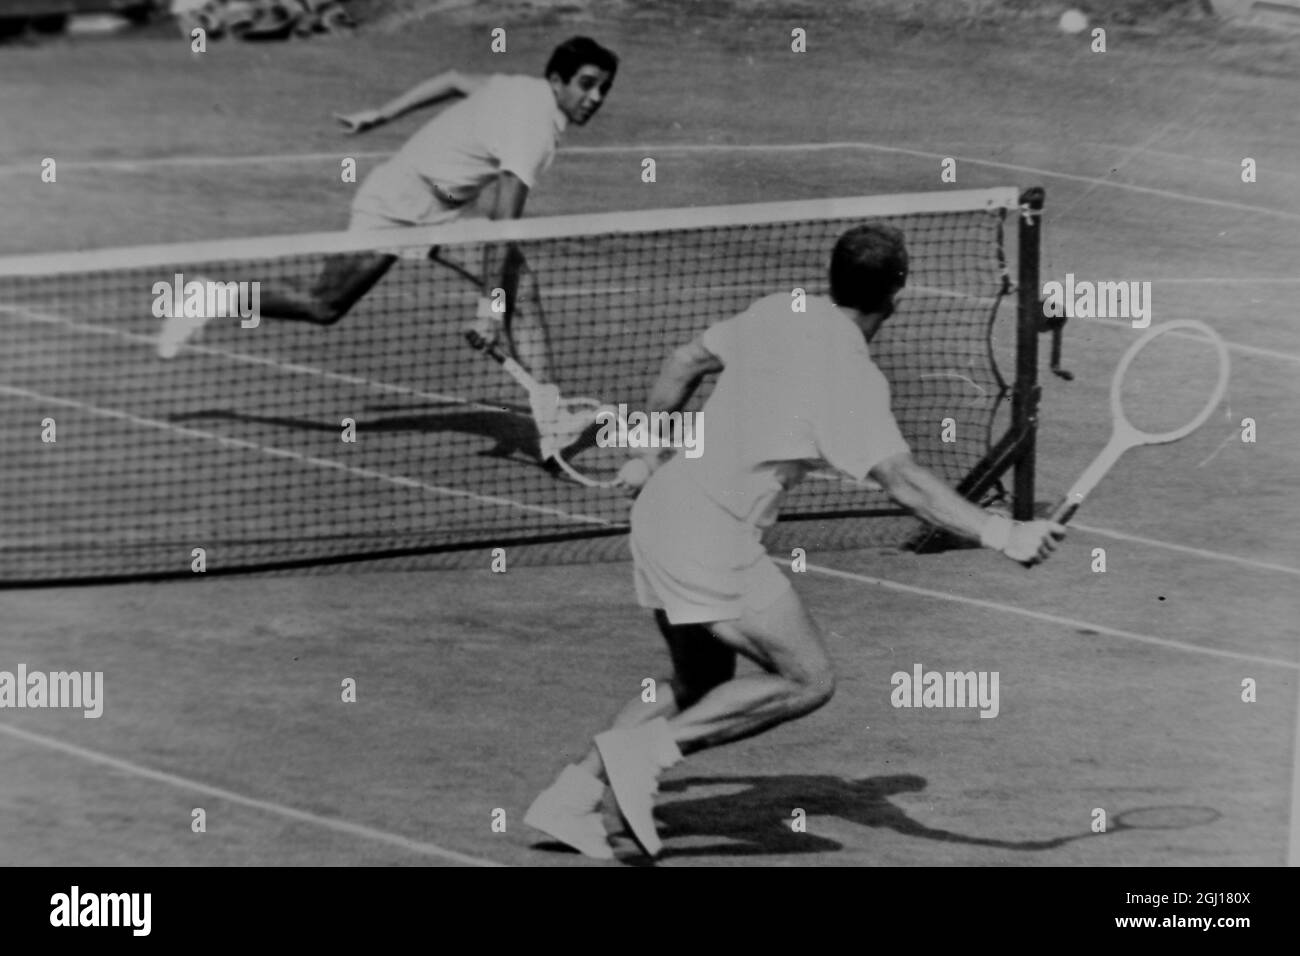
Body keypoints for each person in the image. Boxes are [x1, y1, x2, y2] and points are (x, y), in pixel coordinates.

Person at [523, 222, 1067, 860]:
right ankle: (645, 753)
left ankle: (571, 797)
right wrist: (1005, 534)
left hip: (662, 511)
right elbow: (906, 483)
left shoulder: (785, 307)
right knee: (807, 677)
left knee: (699, 681)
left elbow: (683, 361)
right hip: (709, 535)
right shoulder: (853, 381)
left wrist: (646, 456)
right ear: (897, 292)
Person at [156, 35, 618, 403]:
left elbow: (454, 78)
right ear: (557, 80)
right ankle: (210, 298)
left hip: (447, 212)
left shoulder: (523, 87)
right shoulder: (534, 131)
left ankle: (551, 416)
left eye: (603, 88)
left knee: (524, 291)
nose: (595, 98)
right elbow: (502, 230)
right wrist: (487, 313)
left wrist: (382, 114)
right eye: (587, 84)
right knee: (324, 306)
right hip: (396, 202)